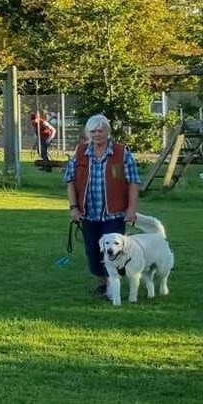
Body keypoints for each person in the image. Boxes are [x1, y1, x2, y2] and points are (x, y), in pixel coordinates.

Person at [65, 115, 141, 300]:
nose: (97, 134)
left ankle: (110, 289)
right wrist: (73, 207)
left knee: (114, 252)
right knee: (92, 251)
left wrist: (131, 209)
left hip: (114, 213)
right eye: (93, 131)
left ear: (108, 132)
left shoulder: (122, 153)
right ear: (88, 133)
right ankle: (103, 281)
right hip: (88, 214)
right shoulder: (81, 153)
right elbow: (70, 181)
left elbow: (133, 182)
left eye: (101, 130)